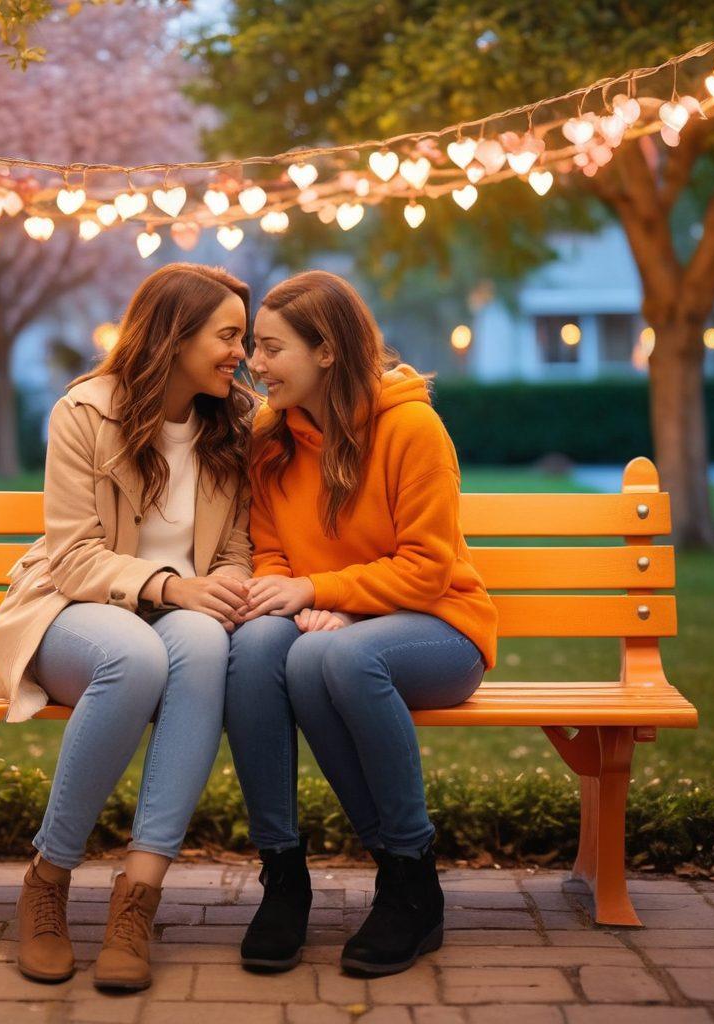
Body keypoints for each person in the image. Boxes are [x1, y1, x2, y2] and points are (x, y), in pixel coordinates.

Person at [0, 263, 254, 990]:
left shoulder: (233, 423)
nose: (241, 352)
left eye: (243, 337)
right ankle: (49, 878)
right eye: (226, 336)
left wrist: (221, 586)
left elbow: (236, 550)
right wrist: (170, 585)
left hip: (181, 619)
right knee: (135, 655)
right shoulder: (85, 412)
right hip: (71, 612)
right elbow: (72, 557)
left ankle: (137, 898)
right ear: (175, 334)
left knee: (200, 643)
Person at [224, 270, 499, 976]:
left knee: (339, 659)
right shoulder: (269, 434)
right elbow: (270, 547)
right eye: (254, 346)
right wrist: (297, 592)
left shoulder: (410, 426)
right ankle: (284, 876)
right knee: (260, 648)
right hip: (330, 626)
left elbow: (427, 568)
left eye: (271, 347)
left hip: (439, 628)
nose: (255, 363)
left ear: (327, 352)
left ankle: (409, 875)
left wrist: (326, 591)